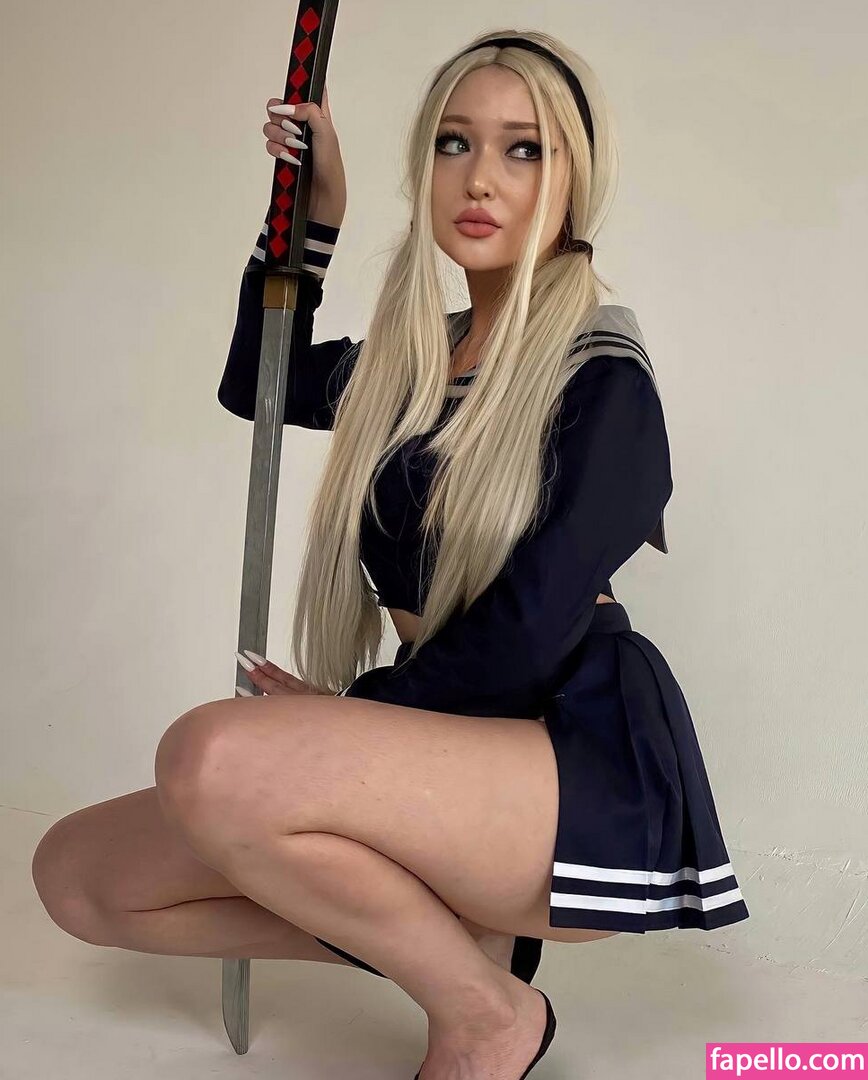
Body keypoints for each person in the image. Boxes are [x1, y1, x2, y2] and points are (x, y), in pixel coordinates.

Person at [34, 29, 749, 1079]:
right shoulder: (415, 366)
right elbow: (257, 382)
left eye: (524, 149)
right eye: (455, 143)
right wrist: (313, 217)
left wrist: (356, 715)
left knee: (213, 757)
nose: (480, 177)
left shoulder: (604, 378)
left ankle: (485, 1017)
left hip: (568, 759)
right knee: (79, 878)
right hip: (435, 744)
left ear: (573, 178)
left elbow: (530, 628)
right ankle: (449, 948)